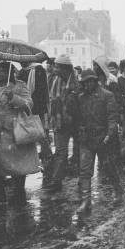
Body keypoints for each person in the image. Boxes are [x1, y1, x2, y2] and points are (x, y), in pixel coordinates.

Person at [0, 62, 40, 204]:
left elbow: (29, 104)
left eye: (2, 71)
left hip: (14, 129)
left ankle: (19, 192)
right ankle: (0, 197)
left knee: (16, 164)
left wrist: (13, 97)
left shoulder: (20, 85)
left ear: (10, 73)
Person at [71, 69, 123, 215]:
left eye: (91, 81)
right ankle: (86, 200)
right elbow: (76, 116)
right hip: (86, 138)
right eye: (85, 82)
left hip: (103, 138)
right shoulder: (80, 97)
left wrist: (110, 134)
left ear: (96, 81)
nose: (88, 84)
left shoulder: (107, 95)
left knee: (108, 167)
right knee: (85, 170)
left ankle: (118, 190)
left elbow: (113, 117)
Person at [46, 54, 79, 190]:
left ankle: (82, 179)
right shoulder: (53, 80)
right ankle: (56, 180)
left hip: (74, 121)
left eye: (57, 66)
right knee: (60, 151)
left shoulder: (76, 82)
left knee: (78, 152)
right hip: (59, 121)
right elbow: (51, 100)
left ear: (64, 68)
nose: (54, 68)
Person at [18, 62, 51, 162]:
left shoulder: (39, 70)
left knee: (40, 131)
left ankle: (47, 153)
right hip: (26, 106)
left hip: (38, 106)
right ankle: (34, 154)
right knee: (27, 132)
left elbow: (43, 89)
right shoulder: (21, 72)